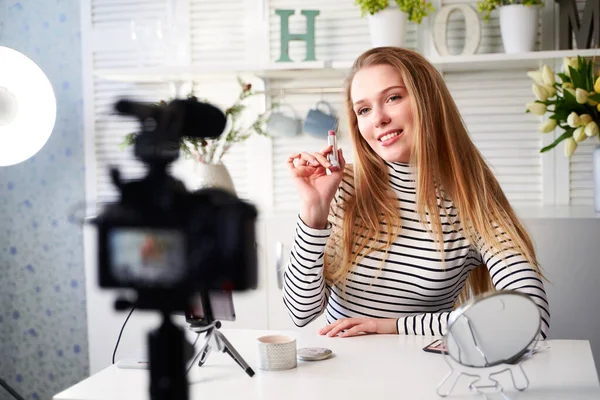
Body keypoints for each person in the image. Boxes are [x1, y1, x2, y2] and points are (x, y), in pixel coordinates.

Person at [283, 47, 550, 339]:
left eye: (393, 97)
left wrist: (393, 327)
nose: (378, 119)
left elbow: (529, 317)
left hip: (425, 372)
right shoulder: (342, 186)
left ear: (429, 102)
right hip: (338, 367)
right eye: (364, 110)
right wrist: (314, 212)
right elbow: (300, 312)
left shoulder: (474, 201)